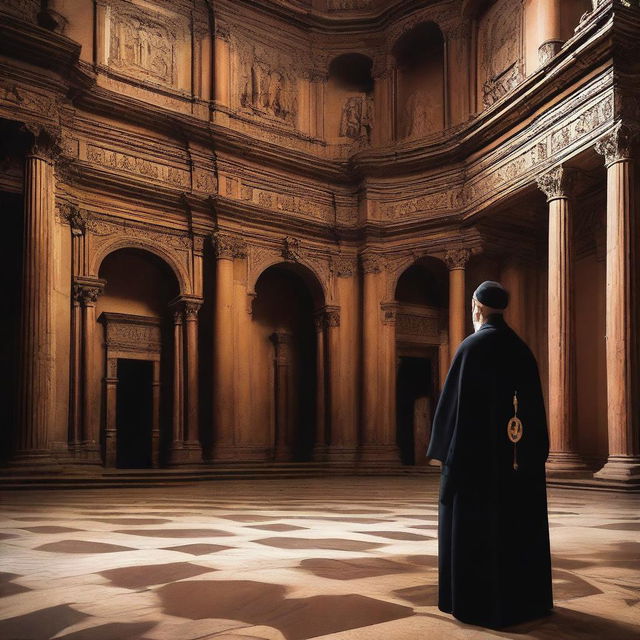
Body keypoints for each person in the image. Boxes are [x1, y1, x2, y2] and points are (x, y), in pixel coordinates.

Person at [426, 280, 552, 629]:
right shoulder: (522, 350)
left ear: (475, 307)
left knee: (476, 531)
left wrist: (445, 459)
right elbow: (536, 417)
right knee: (515, 530)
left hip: (475, 470)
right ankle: (525, 601)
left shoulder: (471, 348)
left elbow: (453, 414)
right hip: (517, 468)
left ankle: (475, 603)